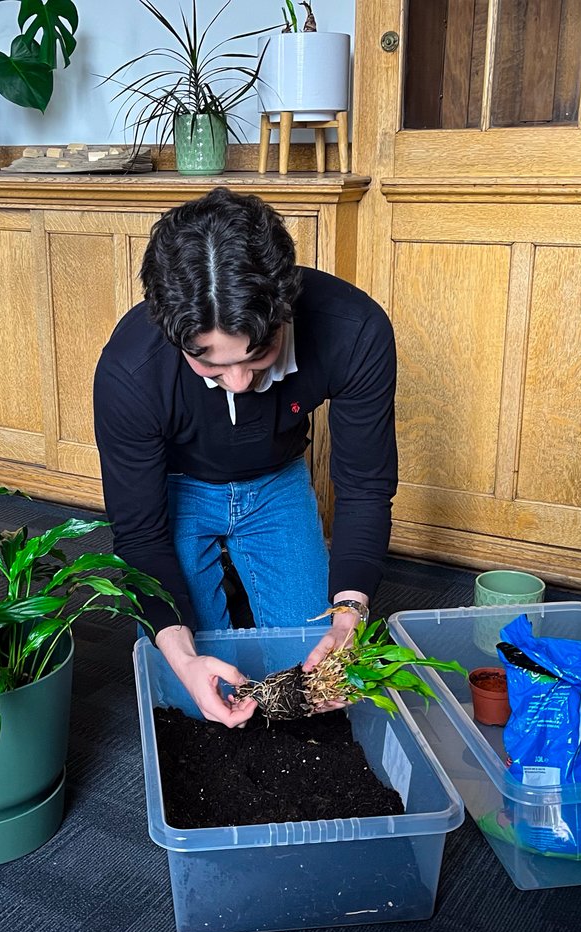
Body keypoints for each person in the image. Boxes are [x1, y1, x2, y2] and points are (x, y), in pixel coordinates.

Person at [93, 187, 397, 728]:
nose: (238, 382)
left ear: (286, 308)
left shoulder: (356, 331)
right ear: (172, 335)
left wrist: (349, 616)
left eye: (258, 356)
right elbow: (139, 535)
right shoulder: (130, 370)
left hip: (275, 483)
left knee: (312, 688)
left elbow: (364, 487)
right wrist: (183, 658)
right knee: (194, 698)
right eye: (210, 366)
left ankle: (236, 591)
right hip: (178, 489)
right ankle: (218, 599)